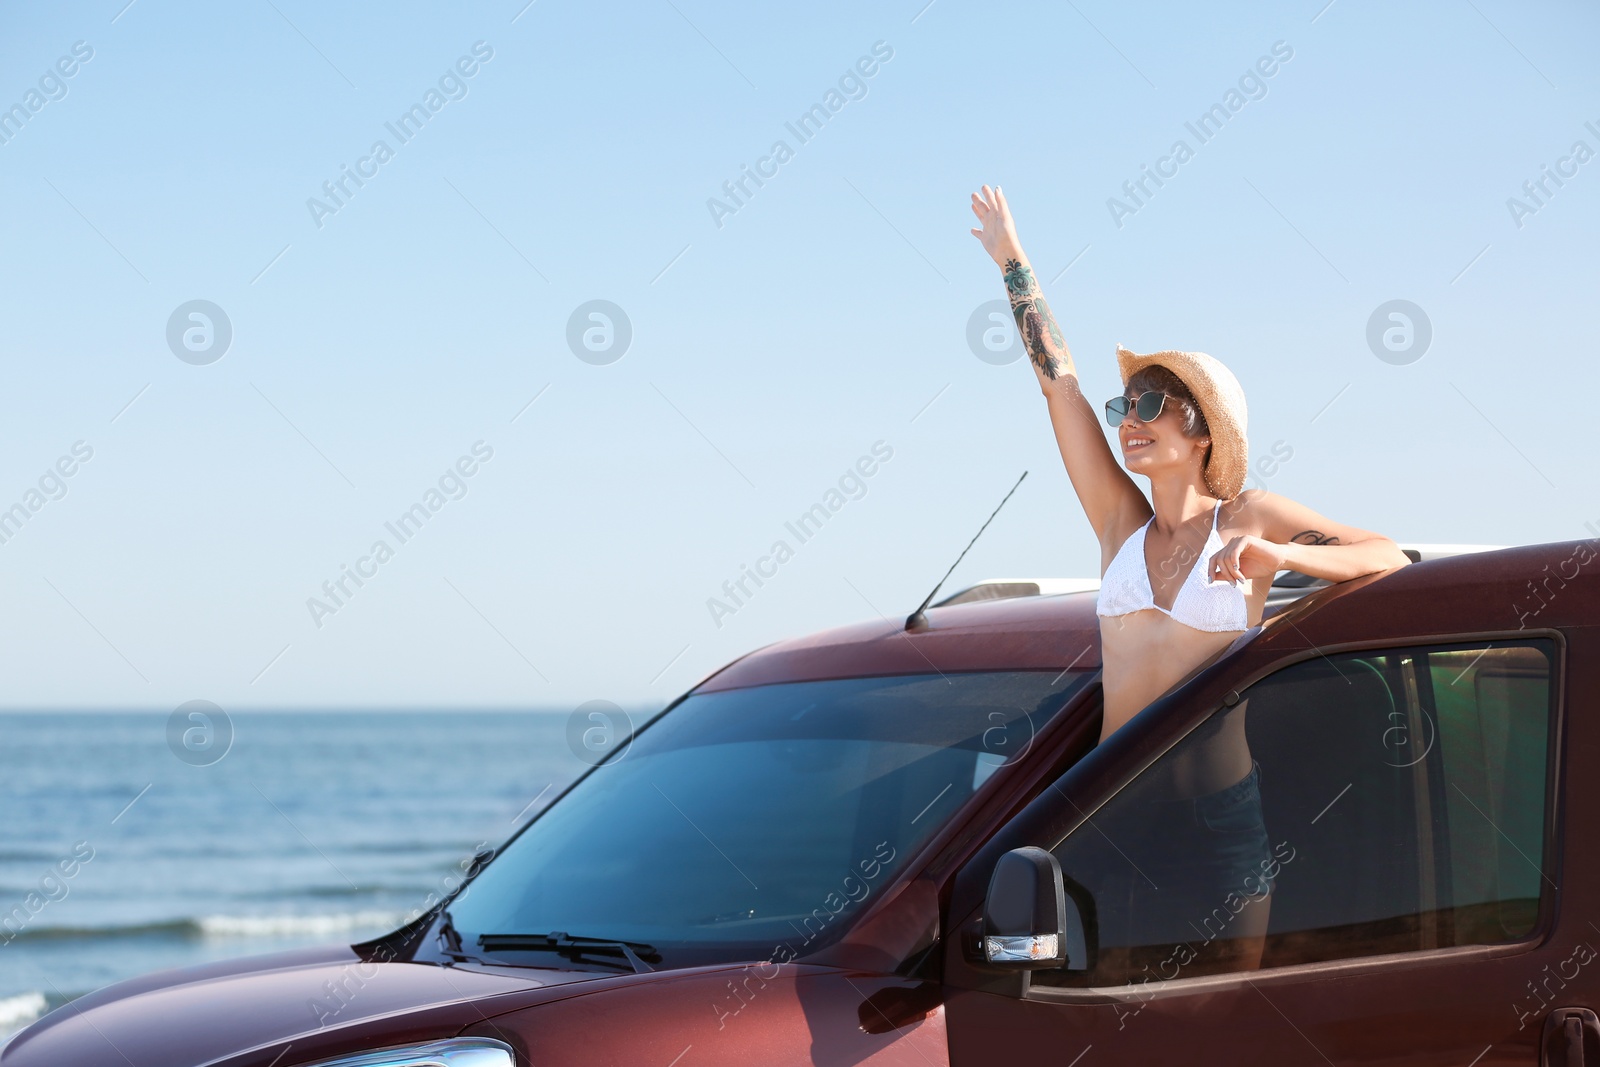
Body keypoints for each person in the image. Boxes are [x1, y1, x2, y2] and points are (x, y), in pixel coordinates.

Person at [968, 183, 1410, 974]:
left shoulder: (1252, 517)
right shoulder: (1119, 526)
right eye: (1124, 403)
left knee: (1222, 1014)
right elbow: (1057, 382)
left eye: (1149, 402)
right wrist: (1014, 260)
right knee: (1111, 1010)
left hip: (1222, 819)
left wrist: (1290, 561)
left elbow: (1387, 554)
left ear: (1202, 427)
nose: (1128, 416)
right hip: (1114, 810)